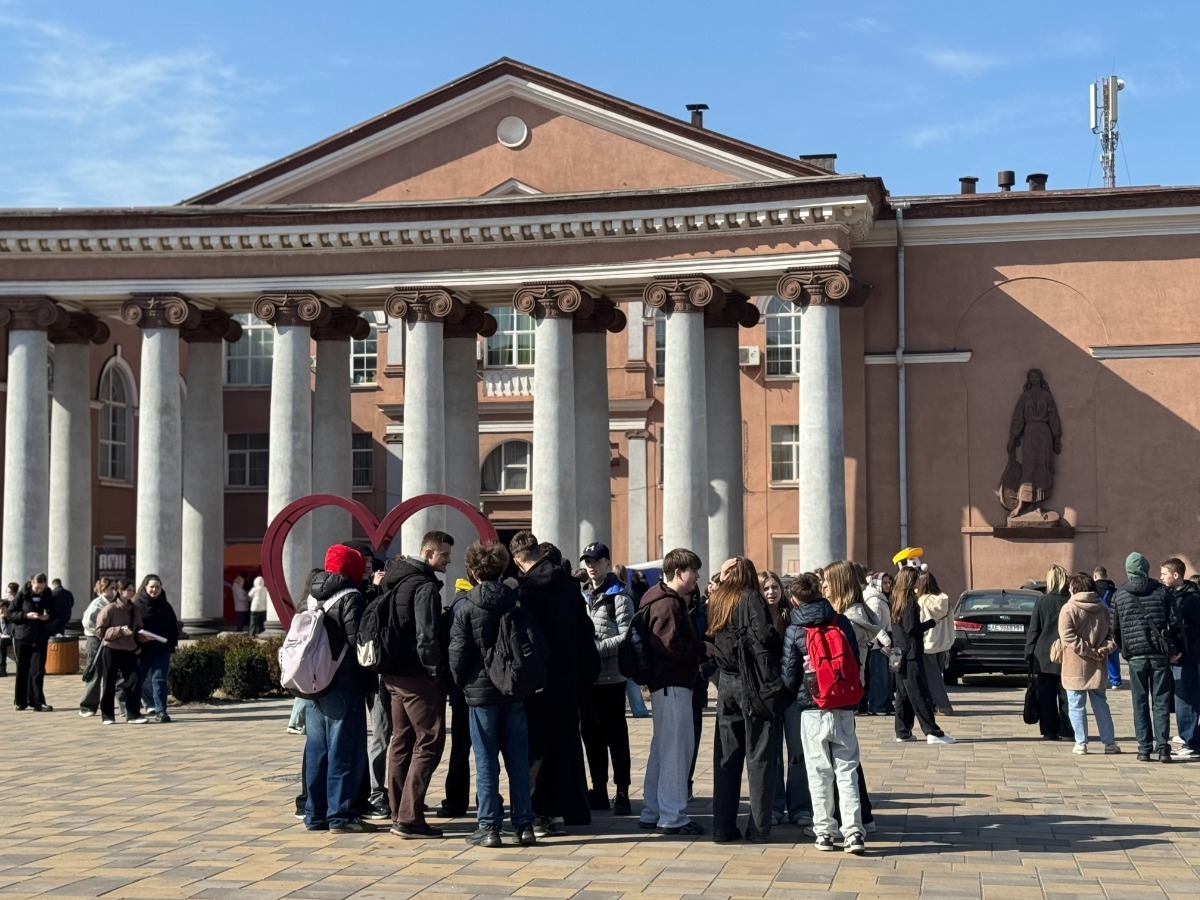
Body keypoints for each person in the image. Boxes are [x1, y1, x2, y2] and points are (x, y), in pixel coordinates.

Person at [449, 541, 537, 848]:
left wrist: (462, 684)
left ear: (473, 573)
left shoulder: (465, 607)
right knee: (518, 760)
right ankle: (524, 824)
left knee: (486, 761)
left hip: (480, 694)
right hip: (513, 690)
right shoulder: (515, 602)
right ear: (501, 571)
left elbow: (457, 655)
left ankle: (489, 827)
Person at [510, 531, 598, 836]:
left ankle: (538, 813)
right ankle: (561, 813)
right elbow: (586, 634)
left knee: (536, 749)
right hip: (568, 681)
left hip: (538, 685)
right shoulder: (568, 588)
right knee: (565, 746)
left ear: (517, 561)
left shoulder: (525, 594)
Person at [781, 571, 866, 855]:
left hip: (812, 707)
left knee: (818, 771)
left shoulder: (795, 629)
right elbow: (854, 659)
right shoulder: (840, 621)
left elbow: (789, 675)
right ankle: (853, 832)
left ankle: (824, 832)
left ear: (794, 600)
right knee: (847, 769)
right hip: (843, 703)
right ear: (820, 592)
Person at [378, 531, 453, 840]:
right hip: (417, 677)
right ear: (428, 553)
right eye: (444, 555)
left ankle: (398, 812)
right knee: (430, 741)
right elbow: (426, 635)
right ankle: (409, 818)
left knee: (401, 740)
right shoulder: (424, 586)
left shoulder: (395, 579)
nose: (448, 560)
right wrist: (435, 672)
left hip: (392, 675)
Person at [708, 556, 782, 844]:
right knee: (759, 755)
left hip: (725, 682)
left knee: (726, 757)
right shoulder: (751, 597)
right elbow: (764, 635)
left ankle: (722, 827)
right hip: (753, 683)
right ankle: (759, 829)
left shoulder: (718, 599)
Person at [303, 544, 374, 833]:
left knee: (317, 750)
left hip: (314, 683)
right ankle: (340, 815)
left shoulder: (311, 596)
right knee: (344, 749)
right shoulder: (350, 596)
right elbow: (359, 642)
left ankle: (314, 814)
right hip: (344, 683)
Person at [636, 547, 706, 837]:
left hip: (665, 685)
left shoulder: (657, 598)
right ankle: (672, 816)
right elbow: (670, 645)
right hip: (672, 684)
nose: (697, 576)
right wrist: (701, 647)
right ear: (679, 572)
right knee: (676, 750)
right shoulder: (668, 604)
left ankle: (652, 811)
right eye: (693, 571)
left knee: (662, 749)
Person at [579, 541, 635, 816]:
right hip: (588, 680)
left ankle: (622, 791)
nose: (591, 566)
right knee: (592, 737)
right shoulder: (582, 595)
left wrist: (596, 650)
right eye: (587, 561)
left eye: (596, 561)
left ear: (607, 563)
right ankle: (598, 788)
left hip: (612, 678)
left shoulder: (619, 597)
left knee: (616, 737)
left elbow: (626, 635)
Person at [1112, 552, 1185, 763]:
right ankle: (1163, 748)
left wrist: (1125, 649)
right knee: (1161, 701)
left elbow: (1114, 628)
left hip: (1135, 656)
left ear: (1128, 570)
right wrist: (1177, 648)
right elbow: (1175, 622)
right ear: (1146, 568)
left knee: (1140, 702)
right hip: (1159, 653)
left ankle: (1144, 748)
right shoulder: (1163, 591)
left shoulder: (1120, 595)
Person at [1058, 574, 1120, 755]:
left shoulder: (1068, 608)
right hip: (1098, 664)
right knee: (1101, 704)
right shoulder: (1103, 609)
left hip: (1075, 663)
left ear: (1074, 588)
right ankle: (1109, 743)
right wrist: (1103, 649)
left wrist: (1086, 649)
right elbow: (1113, 636)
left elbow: (1066, 635)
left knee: (1076, 704)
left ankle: (1081, 743)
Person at [890, 567, 954, 744]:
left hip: (898, 653)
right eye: (916, 579)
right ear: (909, 580)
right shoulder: (909, 601)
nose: (919, 581)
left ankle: (903, 732)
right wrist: (930, 623)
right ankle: (933, 732)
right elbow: (912, 628)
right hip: (911, 653)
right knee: (919, 693)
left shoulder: (895, 599)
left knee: (903, 695)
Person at [438, 576, 476, 818]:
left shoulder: (457, 602)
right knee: (488, 749)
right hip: (480, 689)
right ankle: (487, 799)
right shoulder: (471, 603)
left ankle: (455, 800)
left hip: (462, 689)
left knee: (461, 747)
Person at [1024, 564, 1073, 740]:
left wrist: (1029, 653)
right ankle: (1068, 730)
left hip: (1044, 654)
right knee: (1067, 695)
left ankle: (1049, 731)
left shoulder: (1042, 601)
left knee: (1046, 695)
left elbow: (1034, 630)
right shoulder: (1071, 600)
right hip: (1068, 653)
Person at [1160, 558, 1200, 759]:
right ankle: (1189, 737)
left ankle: (1190, 742)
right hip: (1178, 654)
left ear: (1176, 575)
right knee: (1182, 698)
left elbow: (1193, 629)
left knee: (1186, 699)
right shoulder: (1172, 595)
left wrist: (1179, 646)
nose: (1161, 577)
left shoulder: (1191, 599)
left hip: (1188, 656)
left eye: (1164, 573)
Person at [759, 569, 790, 827]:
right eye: (766, 588)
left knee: (798, 750)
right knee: (773, 751)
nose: (771, 592)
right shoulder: (756, 617)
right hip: (768, 691)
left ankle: (801, 805)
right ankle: (776, 805)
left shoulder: (790, 615)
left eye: (775, 587)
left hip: (791, 688)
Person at [94, 579, 148, 724]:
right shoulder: (110, 609)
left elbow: (138, 628)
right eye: (128, 590)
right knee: (109, 683)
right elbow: (100, 632)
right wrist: (119, 630)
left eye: (133, 590)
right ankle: (107, 716)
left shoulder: (134, 609)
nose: (132, 592)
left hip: (130, 650)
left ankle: (133, 714)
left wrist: (145, 637)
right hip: (111, 650)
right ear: (120, 591)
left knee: (134, 680)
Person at [133, 574, 179, 723]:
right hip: (142, 650)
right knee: (138, 680)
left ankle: (161, 711)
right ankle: (133, 710)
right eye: (152, 587)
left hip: (161, 650)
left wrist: (171, 645)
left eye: (157, 587)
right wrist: (139, 640)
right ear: (145, 587)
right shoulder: (136, 605)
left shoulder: (165, 606)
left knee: (159, 680)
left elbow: (173, 627)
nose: (154, 590)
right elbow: (131, 628)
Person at [10, 574, 54, 711]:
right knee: (22, 669)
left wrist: (48, 616)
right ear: (31, 583)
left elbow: (54, 612)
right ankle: (20, 701)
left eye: (41, 587)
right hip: (23, 636)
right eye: (36, 587)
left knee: (38, 669)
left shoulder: (48, 595)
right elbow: (11, 613)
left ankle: (37, 701)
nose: (39, 590)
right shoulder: (22, 595)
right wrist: (25, 615)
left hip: (40, 636)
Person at [915, 571, 955, 715]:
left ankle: (944, 706)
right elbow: (951, 623)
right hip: (943, 644)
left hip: (928, 644)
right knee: (936, 676)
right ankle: (933, 705)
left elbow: (921, 622)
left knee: (933, 678)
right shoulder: (945, 601)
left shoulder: (922, 602)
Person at [79, 578, 116, 717]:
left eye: (115, 588)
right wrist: (102, 633)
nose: (114, 591)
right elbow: (88, 623)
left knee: (113, 673)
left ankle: (119, 705)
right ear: (103, 589)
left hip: (109, 639)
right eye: (111, 588)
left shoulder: (113, 602)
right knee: (95, 672)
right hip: (96, 640)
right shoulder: (98, 604)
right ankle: (87, 706)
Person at [861, 572, 894, 716]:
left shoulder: (881, 599)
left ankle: (885, 704)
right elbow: (874, 624)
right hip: (877, 645)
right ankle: (877, 706)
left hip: (882, 644)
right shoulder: (875, 600)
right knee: (879, 677)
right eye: (884, 582)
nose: (888, 585)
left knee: (885, 677)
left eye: (888, 582)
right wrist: (886, 640)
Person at [1093, 566, 1122, 688]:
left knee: (1094, 652)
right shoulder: (1114, 591)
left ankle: (1096, 678)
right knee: (1112, 653)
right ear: (1105, 575)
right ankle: (1115, 681)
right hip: (1112, 624)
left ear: (1095, 575)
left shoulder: (1091, 589)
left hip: (1095, 625)